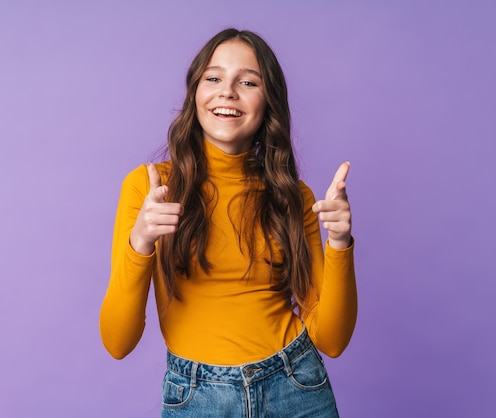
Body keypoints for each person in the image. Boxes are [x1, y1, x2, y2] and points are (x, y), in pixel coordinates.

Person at [100, 28, 357, 418]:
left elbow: (332, 340)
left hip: (296, 386)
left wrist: (339, 242)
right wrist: (141, 242)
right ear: (195, 93)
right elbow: (118, 343)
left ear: (267, 101)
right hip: (198, 396)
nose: (228, 91)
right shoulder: (150, 188)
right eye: (214, 77)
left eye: (248, 81)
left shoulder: (294, 197)